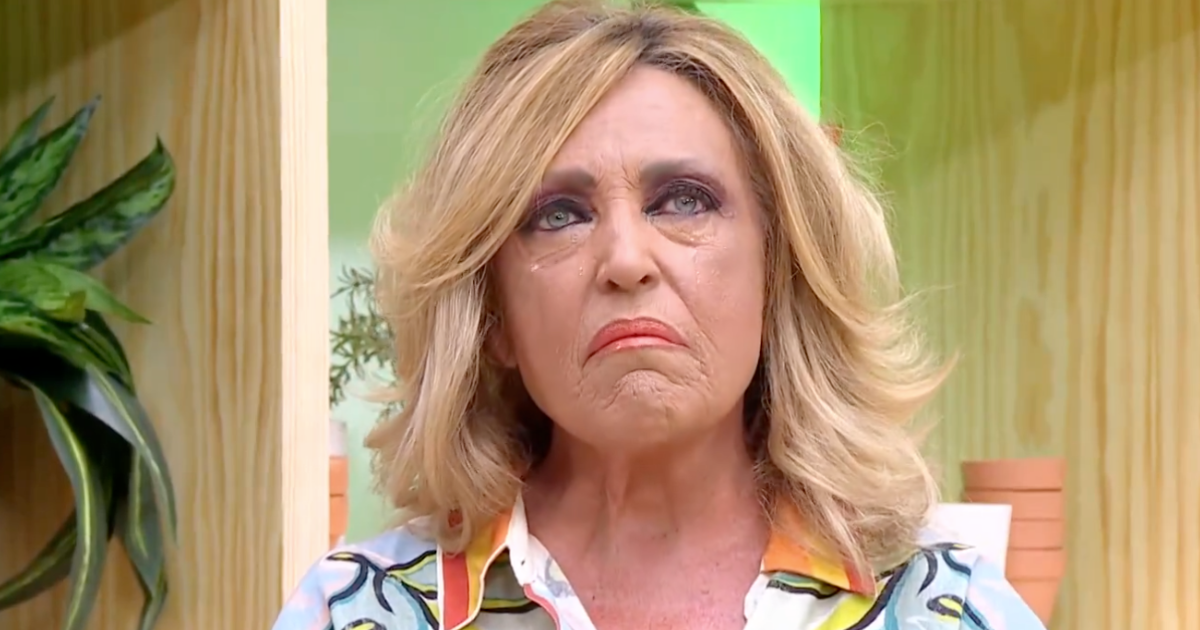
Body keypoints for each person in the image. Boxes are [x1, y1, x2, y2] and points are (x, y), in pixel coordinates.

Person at [275, 1, 1046, 628]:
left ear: (778, 273)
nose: (625, 258)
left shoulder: (942, 610)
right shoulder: (356, 613)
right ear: (493, 315)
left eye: (683, 201)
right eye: (559, 214)